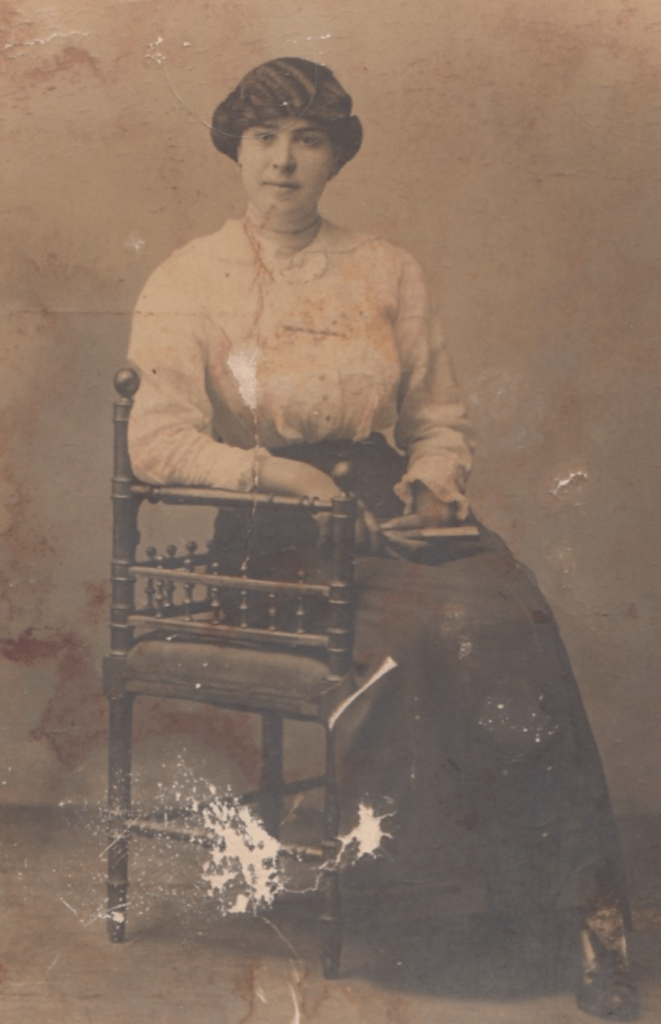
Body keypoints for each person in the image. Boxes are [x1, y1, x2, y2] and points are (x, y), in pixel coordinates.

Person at [126, 57, 639, 1019]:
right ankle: (433, 919)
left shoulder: (386, 268)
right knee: (423, 635)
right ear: (236, 149)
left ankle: (576, 910)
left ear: (336, 157)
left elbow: (438, 418)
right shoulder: (191, 277)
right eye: (265, 138)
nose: (284, 161)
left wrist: (432, 485)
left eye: (308, 140)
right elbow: (156, 442)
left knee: (514, 613)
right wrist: (286, 475)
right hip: (270, 533)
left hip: (383, 507)